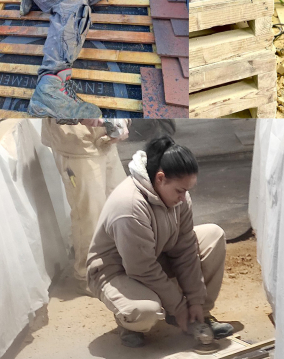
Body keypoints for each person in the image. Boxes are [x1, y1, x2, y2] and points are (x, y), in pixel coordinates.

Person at [86, 136, 234, 348]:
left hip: (155, 255)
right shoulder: (129, 207)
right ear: (161, 178)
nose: (184, 197)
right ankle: (128, 323)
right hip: (115, 271)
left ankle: (198, 317)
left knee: (213, 235)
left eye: (187, 190)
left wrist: (194, 300)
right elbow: (141, 268)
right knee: (144, 312)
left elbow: (186, 248)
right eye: (180, 190)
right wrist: (178, 305)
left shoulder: (179, 197)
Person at [41, 118, 130, 296]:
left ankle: (117, 264)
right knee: (89, 215)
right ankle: (88, 275)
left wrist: (121, 118)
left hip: (105, 139)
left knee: (122, 204)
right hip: (77, 144)